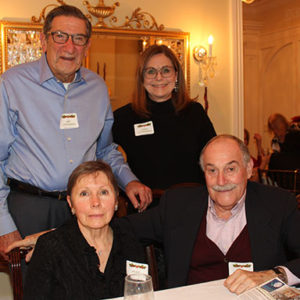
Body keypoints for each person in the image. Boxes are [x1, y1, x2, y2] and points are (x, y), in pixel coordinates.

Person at [0, 5, 151, 260]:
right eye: (60, 36)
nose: (69, 47)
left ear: (87, 45)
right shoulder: (12, 84)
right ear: (43, 39)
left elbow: (104, 150)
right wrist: (4, 225)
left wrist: (129, 180)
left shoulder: (97, 87)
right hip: (30, 208)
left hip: (85, 209)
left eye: (78, 39)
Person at [118, 135, 300, 295]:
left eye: (230, 169)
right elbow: (124, 229)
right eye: (212, 170)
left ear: (249, 168)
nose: (221, 181)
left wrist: (275, 275)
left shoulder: (278, 204)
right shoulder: (178, 206)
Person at [23, 160, 146, 300]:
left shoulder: (129, 237)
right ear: (71, 204)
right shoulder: (50, 248)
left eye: (103, 192)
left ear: (116, 200)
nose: (95, 202)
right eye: (84, 194)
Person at [112, 44, 216, 200]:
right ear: (141, 77)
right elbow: (104, 154)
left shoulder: (195, 112)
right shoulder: (124, 117)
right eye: (151, 71)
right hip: (145, 209)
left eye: (166, 70)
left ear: (176, 75)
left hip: (192, 205)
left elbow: (214, 159)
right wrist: (127, 183)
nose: (159, 77)